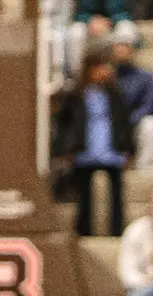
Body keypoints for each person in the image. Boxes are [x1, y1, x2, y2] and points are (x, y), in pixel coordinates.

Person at [53, 50, 135, 237]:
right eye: (99, 67)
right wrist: (66, 149)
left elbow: (124, 123)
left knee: (116, 196)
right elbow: (64, 123)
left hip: (111, 149)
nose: (103, 71)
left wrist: (128, 148)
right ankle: (83, 231)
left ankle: (117, 230)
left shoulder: (116, 94)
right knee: (84, 197)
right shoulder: (76, 94)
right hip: (84, 151)